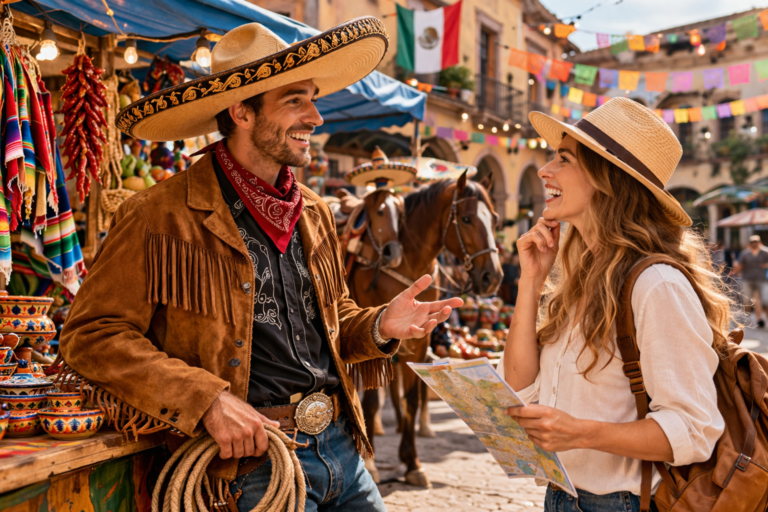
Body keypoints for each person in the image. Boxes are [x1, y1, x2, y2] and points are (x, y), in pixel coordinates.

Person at [60, 19, 462, 512]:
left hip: (341, 449)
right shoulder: (158, 214)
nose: (316, 117)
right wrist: (205, 399)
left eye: (313, 98)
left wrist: (379, 324)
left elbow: (330, 323)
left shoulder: (311, 210)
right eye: (295, 100)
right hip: (248, 465)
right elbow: (91, 334)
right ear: (241, 112)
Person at [498, 98, 728, 511]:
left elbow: (694, 430)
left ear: (607, 179)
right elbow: (519, 387)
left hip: (620, 503)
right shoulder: (582, 277)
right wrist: (529, 282)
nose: (544, 170)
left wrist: (580, 432)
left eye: (563, 159)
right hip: (561, 495)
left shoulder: (656, 285)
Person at [732, 234, 768, 328]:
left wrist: (766, 265)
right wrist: (734, 271)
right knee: (747, 301)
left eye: (755, 242)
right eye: (752, 242)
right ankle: (749, 317)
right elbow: (740, 266)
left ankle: (760, 320)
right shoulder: (745, 253)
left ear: (759, 242)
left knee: (762, 301)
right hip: (747, 279)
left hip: (761, 280)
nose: (754, 244)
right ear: (750, 243)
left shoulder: (765, 252)